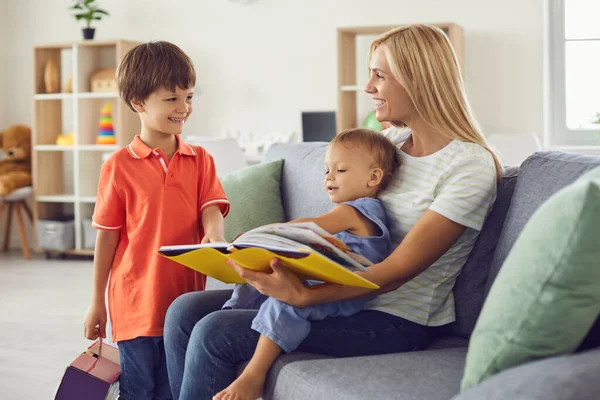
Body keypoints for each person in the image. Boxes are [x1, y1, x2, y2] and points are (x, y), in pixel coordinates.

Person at [164, 24, 502, 400]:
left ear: (418, 79)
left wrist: (305, 297)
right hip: (343, 300)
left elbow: (393, 273)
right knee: (185, 310)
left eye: (379, 75)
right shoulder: (391, 143)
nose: (368, 88)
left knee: (218, 332)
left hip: (394, 319)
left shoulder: (469, 166)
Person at [82, 41, 230, 400]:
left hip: (183, 303)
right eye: (172, 99)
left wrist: (216, 237)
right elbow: (107, 238)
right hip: (134, 304)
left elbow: (211, 208)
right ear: (138, 102)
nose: (184, 108)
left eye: (189, 97)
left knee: (173, 390)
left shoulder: (201, 160)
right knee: (138, 391)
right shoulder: (118, 166)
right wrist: (96, 302)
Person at [216, 128, 400, 399]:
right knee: (261, 270)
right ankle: (232, 312)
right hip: (329, 279)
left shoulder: (358, 210)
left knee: (285, 301)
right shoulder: (351, 210)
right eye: (327, 170)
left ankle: (254, 373)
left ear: (373, 177)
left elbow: (308, 227)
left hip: (343, 291)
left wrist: (262, 233)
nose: (329, 177)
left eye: (340, 170)